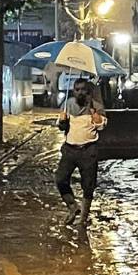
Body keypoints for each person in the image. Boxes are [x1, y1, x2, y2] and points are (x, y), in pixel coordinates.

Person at [56, 76, 108, 225]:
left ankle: (84, 217)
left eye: (83, 90)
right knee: (60, 179)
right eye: (76, 90)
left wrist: (95, 115)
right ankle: (72, 206)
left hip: (88, 150)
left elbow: (102, 125)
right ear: (73, 91)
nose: (79, 93)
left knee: (88, 184)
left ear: (88, 91)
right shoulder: (67, 104)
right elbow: (62, 127)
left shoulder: (95, 105)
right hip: (70, 150)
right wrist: (63, 121)